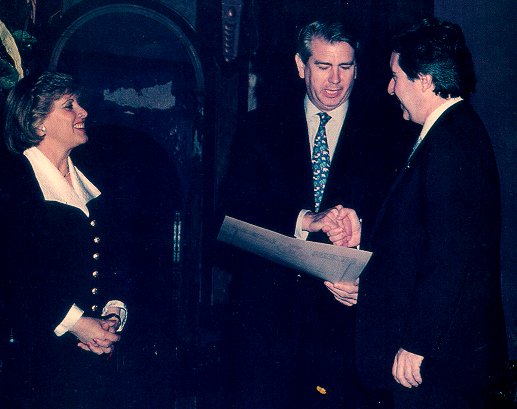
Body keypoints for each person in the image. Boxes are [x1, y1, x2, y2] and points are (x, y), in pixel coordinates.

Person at [222, 20, 411, 409]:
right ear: (300, 65)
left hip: (344, 331)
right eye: (323, 66)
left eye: (345, 67)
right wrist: (303, 219)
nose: (335, 80)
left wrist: (368, 271)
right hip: (266, 327)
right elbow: (229, 211)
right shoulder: (259, 127)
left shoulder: (390, 134)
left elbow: (404, 227)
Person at [346, 18, 508, 409]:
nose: (390, 89)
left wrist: (418, 342)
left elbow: (450, 257)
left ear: (424, 80)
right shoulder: (451, 132)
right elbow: (420, 238)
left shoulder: (451, 143)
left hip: (434, 362)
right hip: (440, 355)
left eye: (395, 77)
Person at [0, 71, 129, 408]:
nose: (83, 111)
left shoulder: (94, 176)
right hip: (38, 360)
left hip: (93, 354)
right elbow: (12, 276)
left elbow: (115, 258)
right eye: (69, 105)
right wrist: (76, 323)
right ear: (37, 122)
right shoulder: (12, 182)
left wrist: (113, 313)